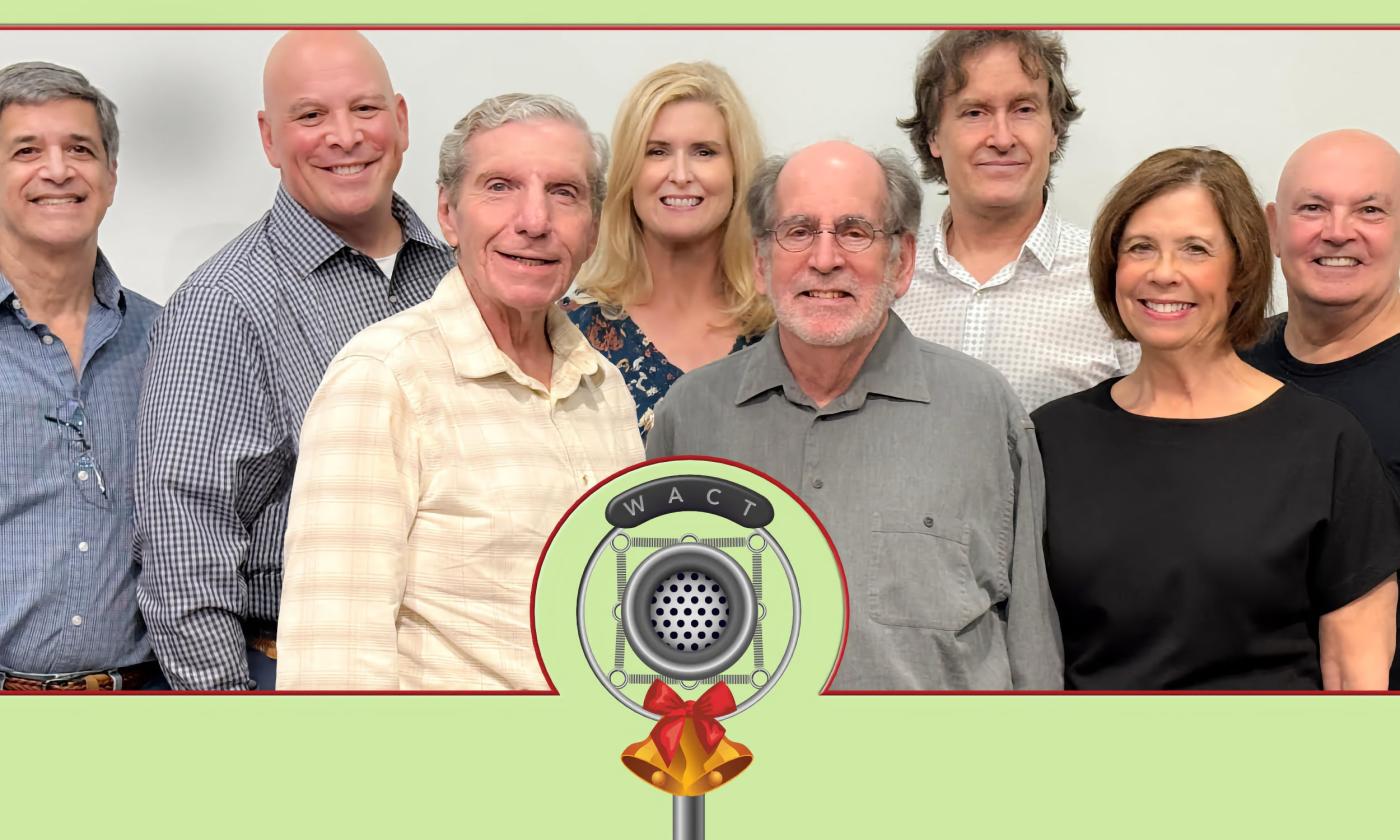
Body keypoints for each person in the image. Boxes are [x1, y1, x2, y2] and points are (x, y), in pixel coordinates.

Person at [647, 140, 1062, 690]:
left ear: (903, 261)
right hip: (741, 770)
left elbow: (1031, 648)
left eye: (854, 231)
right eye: (797, 232)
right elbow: (647, 634)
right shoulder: (691, 417)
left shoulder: (985, 413)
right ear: (760, 262)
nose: (824, 259)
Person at [275, 94, 645, 690]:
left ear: (594, 226)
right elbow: (332, 657)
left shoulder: (605, 387)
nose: (534, 220)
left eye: (564, 192)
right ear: (448, 212)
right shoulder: (384, 377)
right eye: (499, 187)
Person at [135, 31, 456, 690]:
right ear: (269, 138)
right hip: (297, 675)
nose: (343, 136)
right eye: (310, 116)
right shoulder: (223, 305)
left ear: (400, 120)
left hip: (459, 673)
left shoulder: (462, 280)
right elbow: (183, 545)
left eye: (364, 110)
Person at [1034, 147, 1400, 690]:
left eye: (1195, 249)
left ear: (1241, 270)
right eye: (1141, 248)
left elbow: (1355, 675)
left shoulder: (1325, 443)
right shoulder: (1050, 438)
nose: (1163, 273)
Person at [0, 61, 166, 691]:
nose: (59, 170)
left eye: (80, 149)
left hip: (146, 701)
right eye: (26, 150)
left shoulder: (168, 338)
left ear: (111, 176)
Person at [894, 29, 1137, 411]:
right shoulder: (885, 275)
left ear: (1054, 131)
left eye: (1024, 109)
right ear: (933, 138)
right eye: (975, 112)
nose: (1002, 138)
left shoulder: (1115, 277)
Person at [1242, 130, 1400, 688]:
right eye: (1313, 207)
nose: (1338, 231)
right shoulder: (1224, 367)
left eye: (1370, 210)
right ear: (1273, 229)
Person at [564, 62, 771, 439]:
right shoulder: (564, 336)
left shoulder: (785, 335)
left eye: (704, 152)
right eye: (657, 152)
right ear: (628, 171)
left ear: (738, 171)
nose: (679, 174)